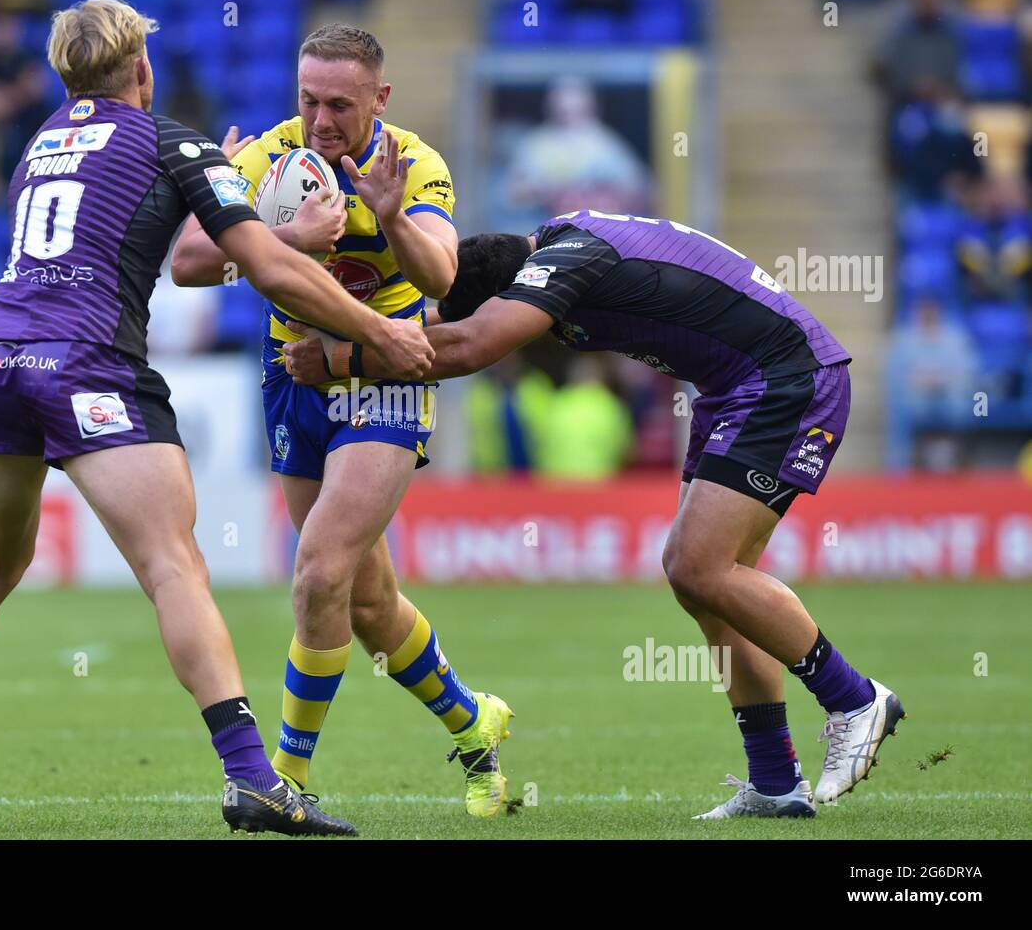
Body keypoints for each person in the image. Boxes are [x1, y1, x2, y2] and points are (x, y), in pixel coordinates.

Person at [0, 0, 432, 839]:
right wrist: (380, 329)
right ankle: (255, 780)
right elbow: (264, 272)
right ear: (142, 68)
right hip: (83, 363)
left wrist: (235, 192)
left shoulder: (40, 144)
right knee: (173, 566)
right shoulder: (172, 138)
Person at [284, 210, 908, 818]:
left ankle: (853, 699)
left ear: (506, 295)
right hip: (735, 387)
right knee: (711, 588)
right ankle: (775, 781)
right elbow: (438, 328)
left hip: (784, 379)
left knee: (697, 567)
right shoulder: (547, 257)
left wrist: (343, 362)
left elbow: (466, 344)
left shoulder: (564, 263)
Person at [171, 24, 515, 817]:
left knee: (320, 570)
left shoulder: (415, 163)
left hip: (384, 371)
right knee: (363, 600)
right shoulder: (270, 156)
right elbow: (189, 261)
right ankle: (474, 724)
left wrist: (390, 216)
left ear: (379, 100)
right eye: (308, 100)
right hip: (293, 375)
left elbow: (442, 273)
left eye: (339, 104)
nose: (321, 121)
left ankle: (282, 780)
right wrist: (286, 238)